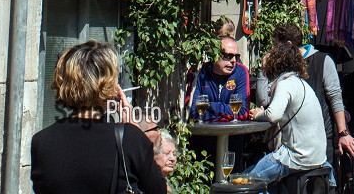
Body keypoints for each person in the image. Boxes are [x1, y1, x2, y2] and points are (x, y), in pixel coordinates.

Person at [31, 41, 167, 194]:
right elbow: (158, 189)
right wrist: (133, 128)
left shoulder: (41, 141)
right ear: (108, 85)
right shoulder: (129, 139)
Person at [256, 21, 354, 160]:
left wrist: (343, 133)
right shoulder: (281, 66)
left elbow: (335, 98)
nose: (274, 50)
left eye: (276, 45)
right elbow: (264, 101)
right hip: (287, 140)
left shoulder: (322, 61)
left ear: (288, 44)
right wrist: (263, 71)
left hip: (320, 136)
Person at [240, 42, 328, 185]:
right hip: (316, 156)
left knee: (243, 182)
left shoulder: (285, 83)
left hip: (296, 157)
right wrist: (266, 112)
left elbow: (273, 115)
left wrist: (257, 115)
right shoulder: (299, 83)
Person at [190, 35, 251, 117]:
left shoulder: (241, 72)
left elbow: (242, 112)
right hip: (205, 128)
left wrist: (210, 106)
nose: (233, 61)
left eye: (236, 56)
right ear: (214, 55)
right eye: (228, 56)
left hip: (233, 128)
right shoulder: (201, 72)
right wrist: (226, 112)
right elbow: (194, 111)